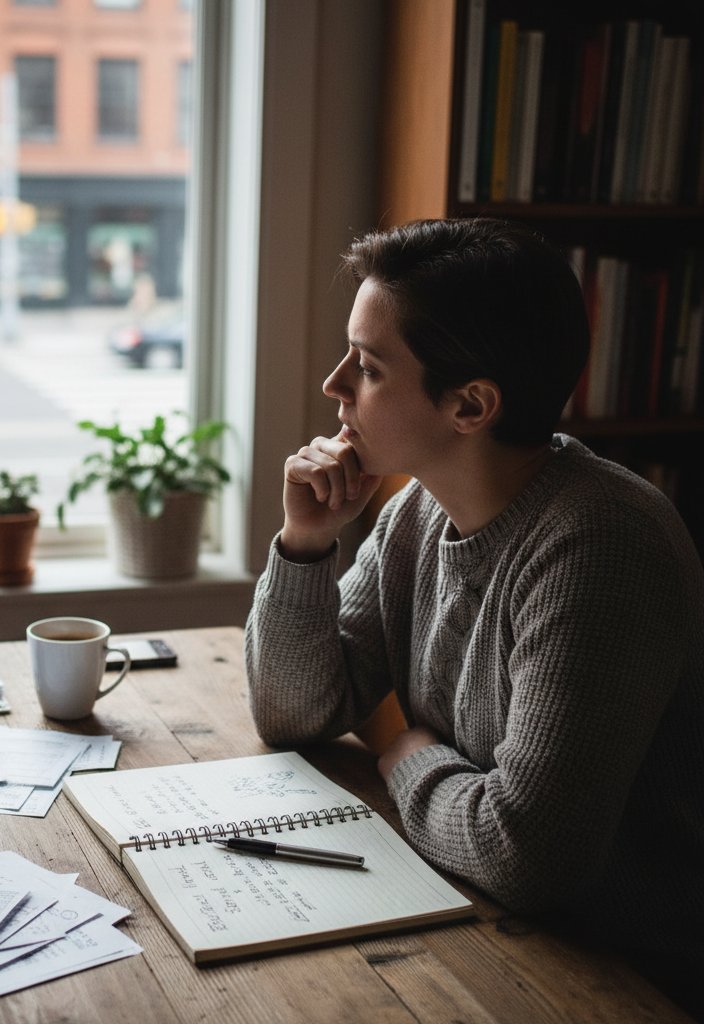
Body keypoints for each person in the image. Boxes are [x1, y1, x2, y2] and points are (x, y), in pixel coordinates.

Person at [245, 218, 704, 1017]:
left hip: (622, 973)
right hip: (486, 915)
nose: (334, 384)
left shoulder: (601, 546)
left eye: (370, 366)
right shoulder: (418, 512)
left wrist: (405, 758)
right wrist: (307, 544)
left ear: (470, 405)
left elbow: (529, 854)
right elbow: (295, 712)